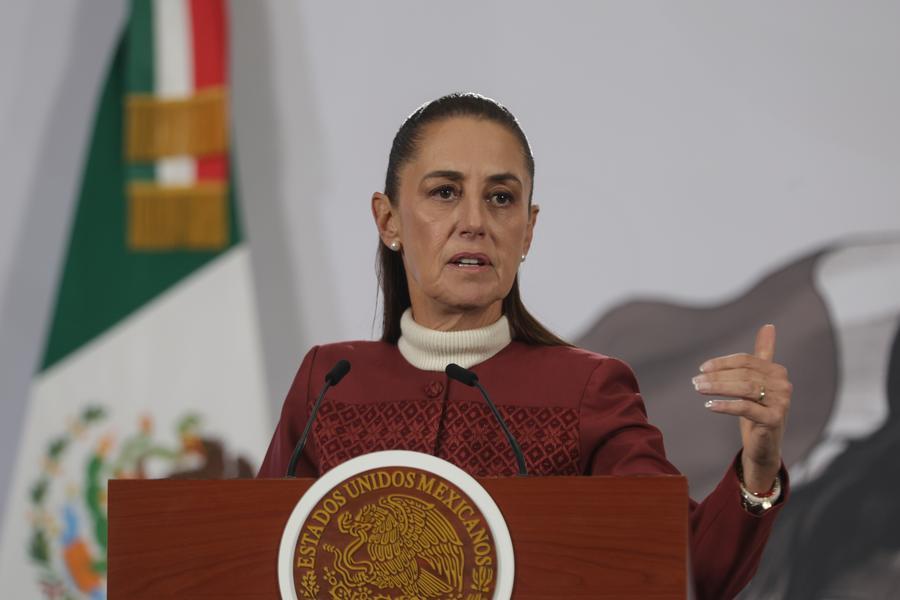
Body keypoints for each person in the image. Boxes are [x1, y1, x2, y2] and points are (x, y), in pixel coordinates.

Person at [258, 93, 792, 599]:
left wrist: (758, 467)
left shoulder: (586, 389)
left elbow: (686, 570)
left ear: (528, 230)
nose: (474, 223)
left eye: (500, 198)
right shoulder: (331, 382)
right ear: (388, 219)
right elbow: (254, 564)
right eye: (445, 192)